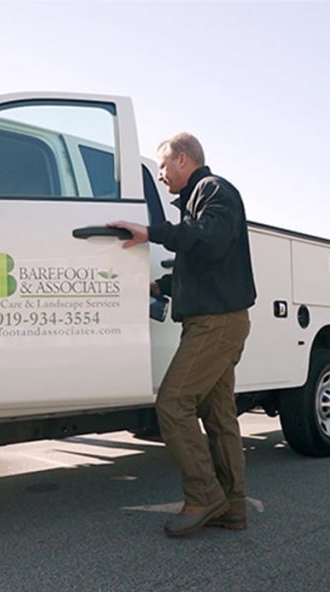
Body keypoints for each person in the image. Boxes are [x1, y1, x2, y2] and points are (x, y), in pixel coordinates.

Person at [109, 133, 257, 537]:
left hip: (216, 324)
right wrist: (163, 287)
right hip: (218, 321)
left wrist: (150, 232)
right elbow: (206, 260)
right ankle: (233, 506)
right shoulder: (199, 202)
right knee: (219, 415)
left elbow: (210, 239)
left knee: (173, 403)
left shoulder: (213, 190)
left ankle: (204, 495)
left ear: (183, 159)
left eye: (162, 166)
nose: (160, 175)